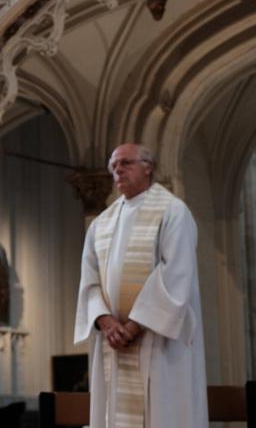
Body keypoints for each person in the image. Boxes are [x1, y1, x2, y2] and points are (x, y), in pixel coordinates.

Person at [74, 144, 208, 428]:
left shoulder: (173, 211)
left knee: (161, 412)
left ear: (149, 167)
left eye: (126, 163)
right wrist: (107, 323)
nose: (118, 170)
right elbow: (89, 279)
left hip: (157, 339)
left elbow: (175, 274)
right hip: (114, 343)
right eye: (113, 166)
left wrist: (134, 327)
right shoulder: (101, 223)